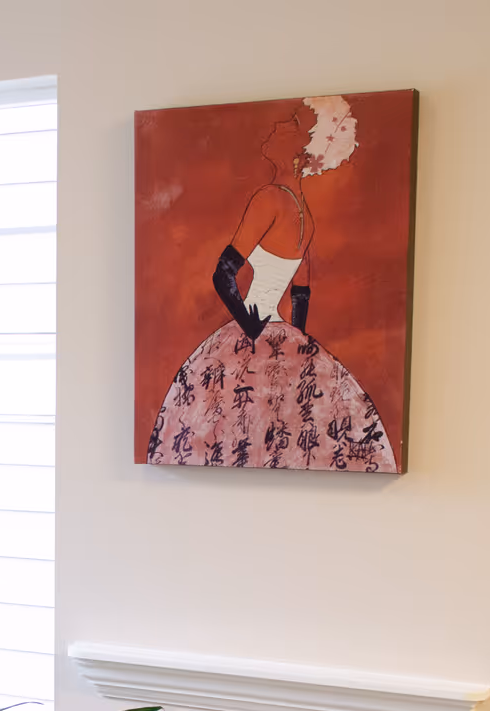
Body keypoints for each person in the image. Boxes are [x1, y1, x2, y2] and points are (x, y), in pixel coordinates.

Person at [145, 96, 394, 472]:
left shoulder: (270, 199)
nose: (277, 128)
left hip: (253, 329)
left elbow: (223, 274)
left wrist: (249, 328)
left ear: (301, 150)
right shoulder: (303, 215)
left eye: (290, 126)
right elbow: (301, 291)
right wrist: (296, 341)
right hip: (281, 333)